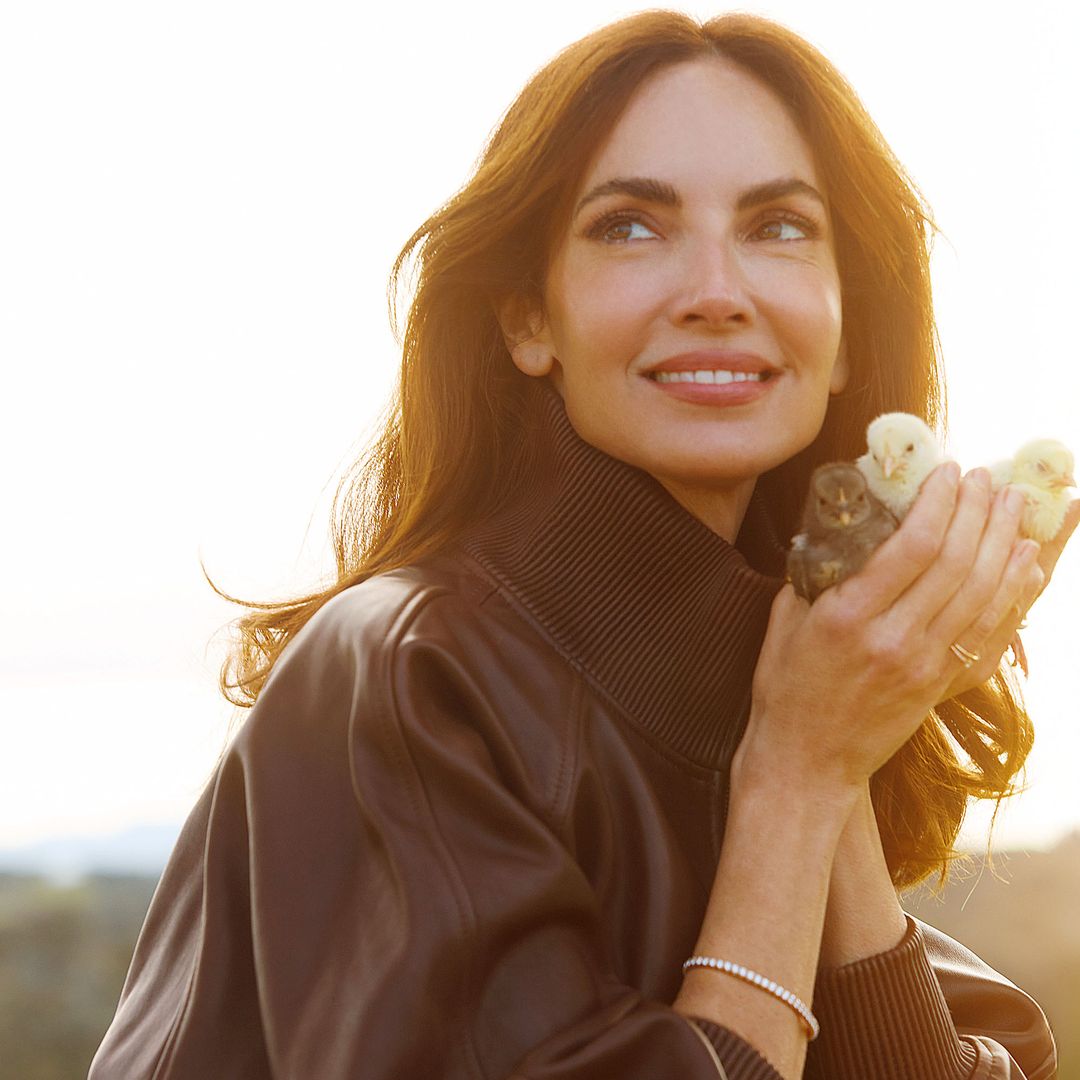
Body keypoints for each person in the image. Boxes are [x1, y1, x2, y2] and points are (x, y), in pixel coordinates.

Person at [90, 11, 1074, 1079]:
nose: (717, 293)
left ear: (846, 335)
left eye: (780, 226)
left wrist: (826, 747)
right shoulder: (406, 673)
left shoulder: (780, 683)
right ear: (529, 321)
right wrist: (796, 775)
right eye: (631, 227)